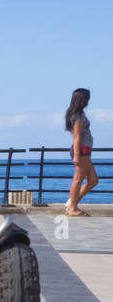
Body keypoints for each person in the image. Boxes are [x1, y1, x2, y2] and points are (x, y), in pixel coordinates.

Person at [65, 88, 99, 217]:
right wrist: (77, 155)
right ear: (83, 100)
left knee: (93, 180)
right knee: (78, 179)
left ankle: (71, 204)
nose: (89, 100)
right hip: (81, 150)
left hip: (85, 150)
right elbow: (77, 136)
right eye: (87, 98)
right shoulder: (78, 116)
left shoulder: (79, 113)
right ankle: (72, 208)